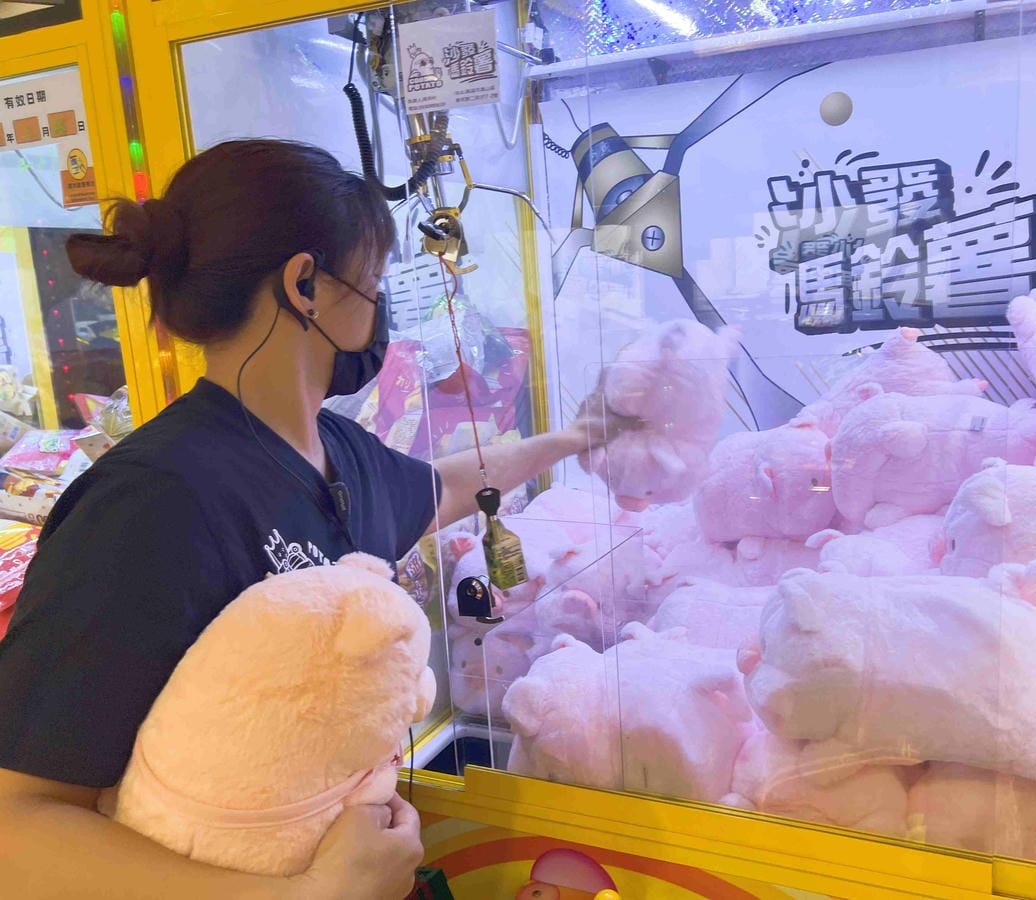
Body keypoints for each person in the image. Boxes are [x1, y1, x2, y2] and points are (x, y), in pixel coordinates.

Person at [0, 140, 610, 899]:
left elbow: (443, 488)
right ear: (305, 285)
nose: (381, 310)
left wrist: (576, 440)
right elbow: (19, 828)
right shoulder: (151, 504)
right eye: (376, 281)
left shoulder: (338, 450)